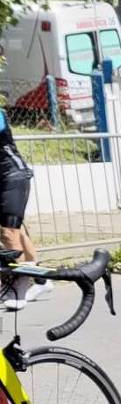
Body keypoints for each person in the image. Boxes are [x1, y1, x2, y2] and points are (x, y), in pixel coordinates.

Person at [0, 109, 52, 310]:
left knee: (8, 233)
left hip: (13, 176)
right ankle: (42, 281)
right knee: (17, 231)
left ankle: (18, 286)